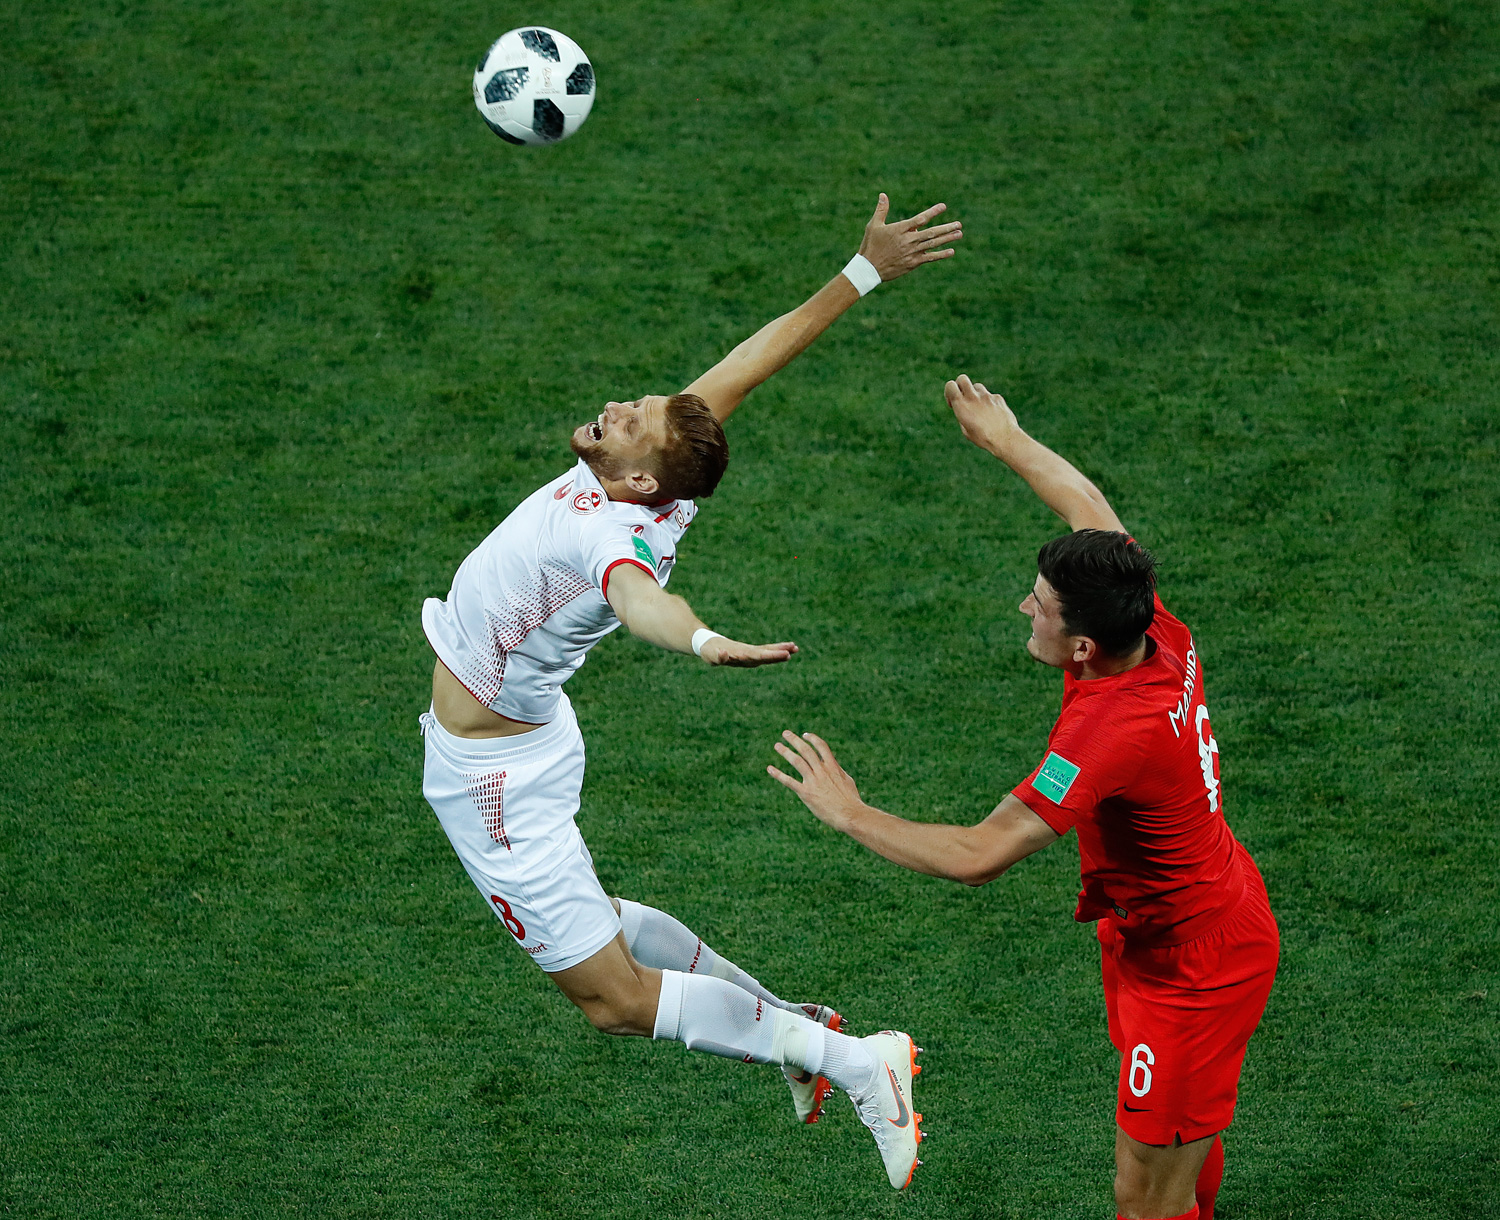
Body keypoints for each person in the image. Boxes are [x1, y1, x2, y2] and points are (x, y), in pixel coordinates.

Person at [419, 196, 961, 1190]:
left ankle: (855, 1059)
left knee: (614, 997)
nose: (623, 405)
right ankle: (804, 1036)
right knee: (602, 925)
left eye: (637, 422)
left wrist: (703, 637)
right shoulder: (648, 470)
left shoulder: (612, 537)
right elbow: (748, 364)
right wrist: (865, 269)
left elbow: (641, 603)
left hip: (494, 777)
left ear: (635, 482)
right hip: (524, 741)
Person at [768, 375, 1279, 1219]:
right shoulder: (1148, 621)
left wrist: (849, 811)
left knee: (1144, 1200)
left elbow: (981, 854)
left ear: (1081, 645)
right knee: (1183, 1146)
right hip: (1179, 927)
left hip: (1195, 970)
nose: (1024, 608)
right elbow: (1085, 504)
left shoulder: (1111, 731)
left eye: (1038, 608)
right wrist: (1002, 437)